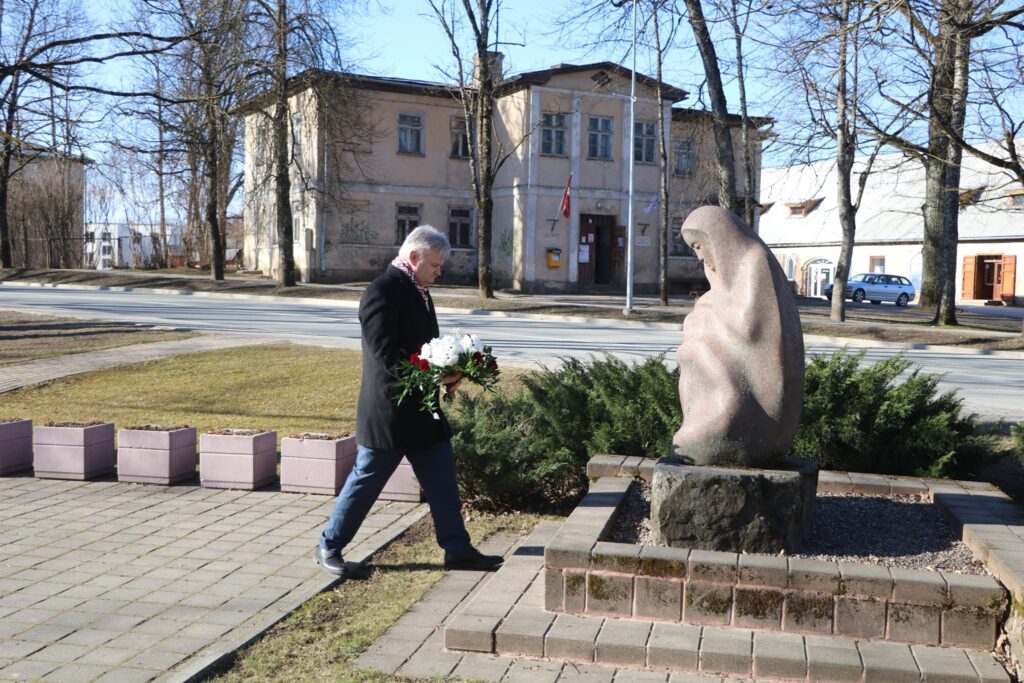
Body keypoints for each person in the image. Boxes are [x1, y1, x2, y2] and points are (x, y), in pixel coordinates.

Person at [315, 225, 503, 577]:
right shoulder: (381, 291)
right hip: (389, 414)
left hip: (422, 413)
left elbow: (423, 349)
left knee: (443, 480)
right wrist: (434, 374)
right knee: (365, 482)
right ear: (414, 257)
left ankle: (457, 549)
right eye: (435, 264)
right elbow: (384, 357)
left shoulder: (419, 290)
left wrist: (452, 371)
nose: (439, 271)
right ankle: (329, 546)